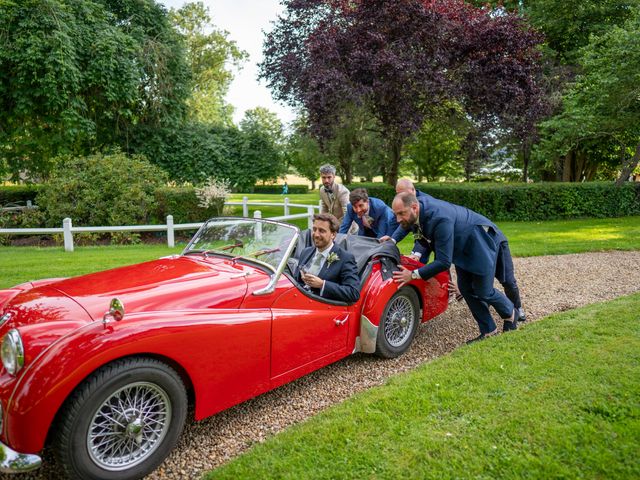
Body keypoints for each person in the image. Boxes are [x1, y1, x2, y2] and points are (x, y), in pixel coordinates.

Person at [386, 192, 520, 342]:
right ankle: (489, 330)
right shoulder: (414, 211)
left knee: (484, 291)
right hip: (461, 247)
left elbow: (443, 262)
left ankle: (511, 314)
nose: (398, 219)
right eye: (396, 214)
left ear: (415, 207)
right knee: (466, 288)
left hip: (480, 242)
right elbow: (406, 223)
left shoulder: (439, 218)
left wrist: (413, 274)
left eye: (401, 213)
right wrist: (392, 240)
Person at [297, 213, 360, 303]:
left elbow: (353, 293)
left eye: (321, 231)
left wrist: (322, 285)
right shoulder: (306, 252)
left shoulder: (345, 258)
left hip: (324, 308)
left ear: (333, 235)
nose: (316, 234)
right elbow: (296, 282)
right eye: (314, 229)